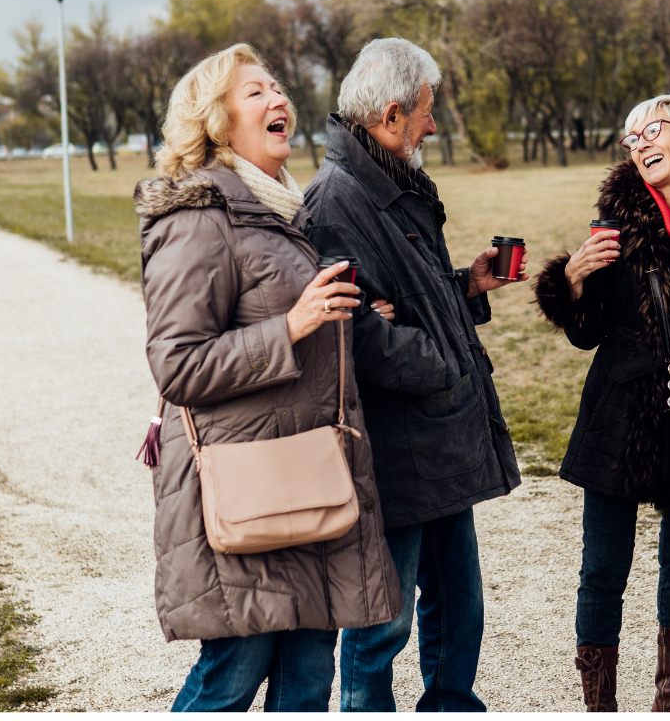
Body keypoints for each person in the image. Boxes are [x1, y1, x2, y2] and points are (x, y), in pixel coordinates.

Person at [133, 42, 401, 712]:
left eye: (277, 86)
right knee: (230, 677)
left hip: (309, 478)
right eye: (255, 91)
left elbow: (283, 310)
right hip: (248, 486)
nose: (278, 98)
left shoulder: (283, 212)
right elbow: (178, 363)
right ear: (218, 122)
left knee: (309, 682)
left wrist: (346, 317)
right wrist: (293, 326)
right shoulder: (196, 218)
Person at [303, 37, 523, 712]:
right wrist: (444, 361)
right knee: (382, 621)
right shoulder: (335, 200)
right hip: (395, 449)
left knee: (460, 601)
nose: (434, 124)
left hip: (441, 436)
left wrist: (467, 286)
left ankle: (452, 705)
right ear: (392, 113)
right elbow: (354, 332)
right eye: (427, 112)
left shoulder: (394, 183)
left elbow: (409, 304)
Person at [533, 95, 670, 711]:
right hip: (621, 410)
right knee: (603, 565)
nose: (638, 144)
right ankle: (599, 702)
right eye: (630, 137)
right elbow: (587, 331)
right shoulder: (615, 220)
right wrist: (574, 279)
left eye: (650, 131)